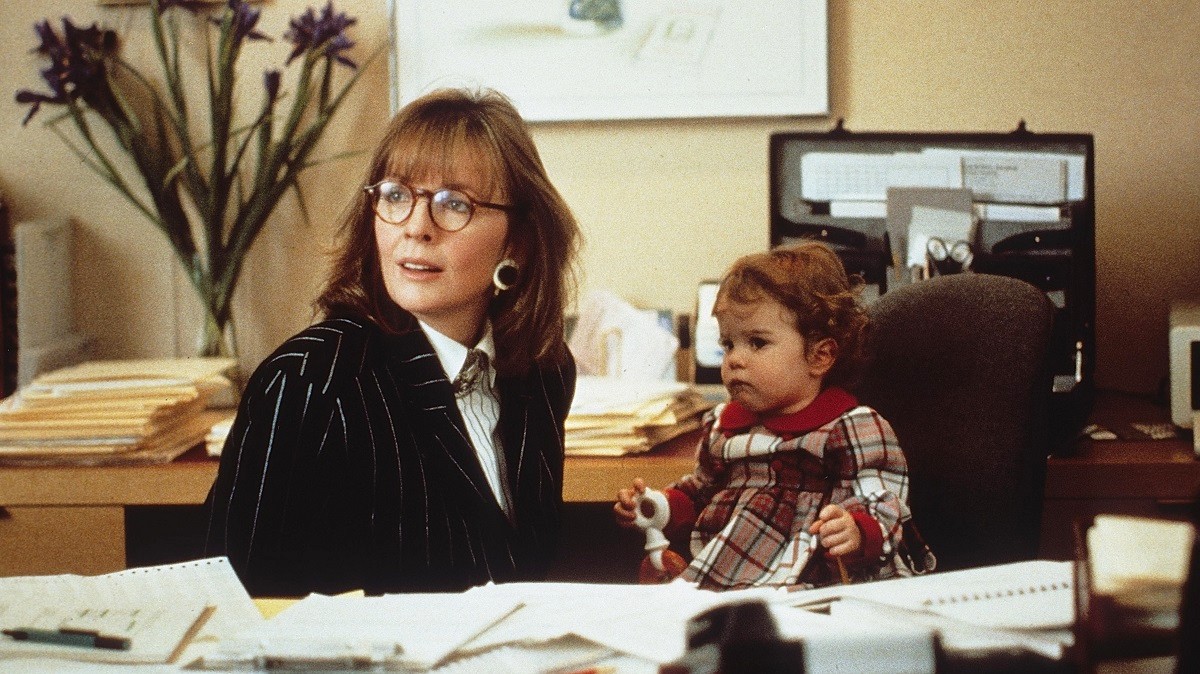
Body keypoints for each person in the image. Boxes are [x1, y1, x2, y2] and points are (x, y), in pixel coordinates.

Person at [204, 88, 581, 597]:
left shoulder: (542, 371)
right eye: (397, 196)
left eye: (454, 204)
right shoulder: (311, 380)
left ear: (517, 240)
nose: (417, 228)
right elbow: (242, 613)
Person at [614, 241, 926, 590]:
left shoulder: (850, 427)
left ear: (820, 356)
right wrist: (656, 506)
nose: (734, 359)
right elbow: (701, 491)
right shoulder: (726, 425)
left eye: (757, 343)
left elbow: (885, 503)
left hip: (816, 577)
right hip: (731, 573)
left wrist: (855, 530)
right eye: (728, 344)